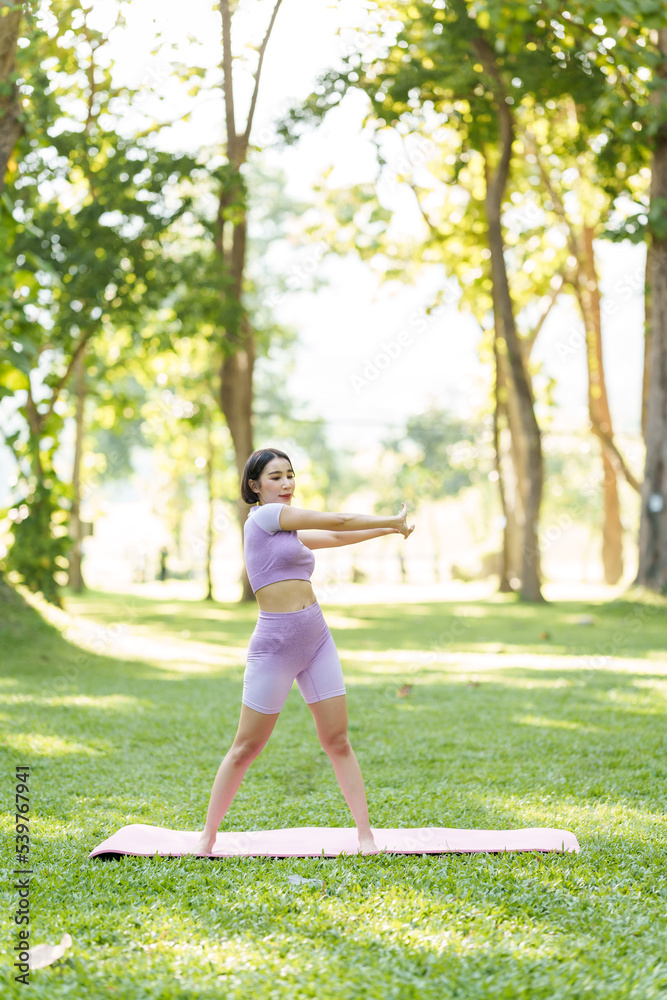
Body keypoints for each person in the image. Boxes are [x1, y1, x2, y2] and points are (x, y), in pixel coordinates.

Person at [194, 447, 415, 856]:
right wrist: (390, 517)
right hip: (274, 649)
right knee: (246, 748)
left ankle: (366, 835)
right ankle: (207, 837)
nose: (287, 484)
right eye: (276, 477)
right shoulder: (263, 518)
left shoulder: (287, 530)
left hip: (316, 640)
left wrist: (390, 531)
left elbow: (334, 536)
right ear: (255, 486)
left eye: (290, 475)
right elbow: (337, 519)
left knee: (338, 740)